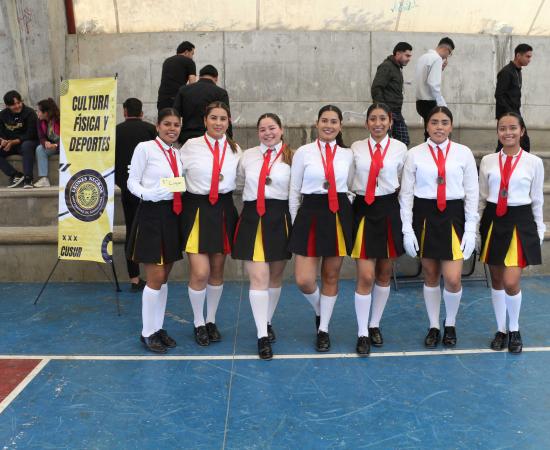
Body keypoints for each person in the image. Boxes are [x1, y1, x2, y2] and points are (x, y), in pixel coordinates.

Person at [400, 106, 478, 348]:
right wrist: (407, 228)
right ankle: (434, 325)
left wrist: (470, 228)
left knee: (453, 278)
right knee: (431, 275)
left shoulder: (463, 153)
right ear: (426, 126)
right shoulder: (415, 153)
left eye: (444, 122)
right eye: (434, 122)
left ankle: (450, 323)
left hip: (454, 216)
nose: (439, 127)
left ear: (451, 126)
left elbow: (473, 193)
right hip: (424, 216)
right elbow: (406, 194)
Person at [289, 105, 353, 352]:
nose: (329, 125)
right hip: (310, 213)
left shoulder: (348, 155)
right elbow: (294, 191)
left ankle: (323, 328)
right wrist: (296, 221)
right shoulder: (303, 152)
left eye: (334, 121)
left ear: (340, 126)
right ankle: (320, 309)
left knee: (330, 275)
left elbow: (353, 185)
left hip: (337, 213)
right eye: (324, 120)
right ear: (317, 124)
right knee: (304, 280)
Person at [479, 112, 544, 354]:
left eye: (513, 128)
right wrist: (476, 229)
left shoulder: (533, 162)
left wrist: (539, 229)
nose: (508, 132)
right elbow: (482, 198)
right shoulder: (487, 161)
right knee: (496, 280)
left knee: (511, 281)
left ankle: (515, 328)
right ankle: (501, 329)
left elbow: (537, 200)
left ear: (522, 131)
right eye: (502, 128)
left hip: (521, 221)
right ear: (498, 132)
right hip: (494, 221)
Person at [180, 101, 241, 346]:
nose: (218, 123)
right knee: (200, 272)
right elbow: (174, 174)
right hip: (196, 209)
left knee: (217, 270)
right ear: (205, 120)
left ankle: (211, 320)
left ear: (229, 121)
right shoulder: (190, 146)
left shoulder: (236, 149)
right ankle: (197, 322)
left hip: (223, 209)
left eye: (223, 119)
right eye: (213, 118)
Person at [232, 113, 292, 360]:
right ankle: (261, 336)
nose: (268, 133)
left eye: (272, 128)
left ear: (281, 129)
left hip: (280, 217)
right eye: (263, 129)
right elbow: (237, 182)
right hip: (252, 217)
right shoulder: (247, 156)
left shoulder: (293, 156)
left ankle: (267, 321)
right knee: (259, 278)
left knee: (275, 277)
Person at [349, 103, 407, 355]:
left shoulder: (401, 149)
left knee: (384, 273)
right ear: (366, 123)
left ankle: (374, 324)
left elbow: (406, 182)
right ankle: (362, 332)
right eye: (372, 119)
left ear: (390, 121)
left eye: (382, 118)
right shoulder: (356, 148)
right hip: (363, 210)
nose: (378, 123)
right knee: (365, 276)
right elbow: (350, 179)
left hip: (388, 210)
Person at [126, 108, 184, 353]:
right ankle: (146, 332)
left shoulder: (177, 153)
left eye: (176, 125)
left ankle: (158, 327)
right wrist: (147, 194)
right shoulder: (145, 148)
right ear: (158, 126)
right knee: (156, 277)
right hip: (151, 214)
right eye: (167, 124)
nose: (172, 129)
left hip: (172, 215)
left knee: (165, 277)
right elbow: (131, 181)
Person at [115, 98, 158, 291]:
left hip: (127, 189)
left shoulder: (115, 131)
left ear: (124, 112)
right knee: (152, 231)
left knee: (131, 231)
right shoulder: (150, 129)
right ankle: (154, 276)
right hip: (149, 190)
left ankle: (134, 278)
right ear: (142, 112)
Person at [173, 64, 232, 144]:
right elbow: (226, 117)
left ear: (199, 76)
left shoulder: (184, 90)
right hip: (210, 138)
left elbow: (175, 114)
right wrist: (230, 140)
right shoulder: (220, 93)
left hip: (187, 137)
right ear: (216, 78)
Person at [371, 42, 413, 146]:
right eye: (407, 55)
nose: (409, 59)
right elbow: (376, 88)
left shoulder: (396, 68)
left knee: (403, 141)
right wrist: (382, 112)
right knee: (385, 142)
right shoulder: (386, 66)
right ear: (398, 54)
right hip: (388, 112)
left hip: (396, 112)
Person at [495, 44, 533, 153]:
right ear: (518, 55)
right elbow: (499, 95)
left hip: (514, 112)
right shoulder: (506, 72)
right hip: (507, 114)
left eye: (530, 57)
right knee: (522, 141)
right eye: (527, 56)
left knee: (511, 142)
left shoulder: (517, 71)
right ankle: (494, 165)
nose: (529, 60)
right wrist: (509, 114)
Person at [415, 37, 455, 140]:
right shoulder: (437, 59)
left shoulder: (423, 57)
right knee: (436, 135)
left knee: (428, 132)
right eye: (449, 53)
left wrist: (440, 69)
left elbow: (426, 79)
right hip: (430, 102)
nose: (447, 57)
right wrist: (442, 104)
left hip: (420, 101)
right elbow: (433, 84)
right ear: (446, 49)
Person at [0, 90, 38, 188]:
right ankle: (15, 174)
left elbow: (31, 134)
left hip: (27, 142)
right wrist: (3, 141)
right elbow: (1, 132)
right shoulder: (3, 115)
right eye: (13, 104)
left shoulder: (30, 112)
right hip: (10, 144)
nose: (17, 106)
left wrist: (13, 142)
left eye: (19, 102)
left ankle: (28, 179)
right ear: (7, 106)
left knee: (27, 145)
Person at [157, 41, 196, 110]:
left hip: (162, 98)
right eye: (192, 54)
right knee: (175, 119)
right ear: (186, 52)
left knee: (163, 118)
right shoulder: (189, 61)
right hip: (176, 97)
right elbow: (192, 84)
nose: (192, 57)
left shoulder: (167, 61)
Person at [34, 98, 60, 187]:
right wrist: (45, 142)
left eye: (38, 111)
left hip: (64, 146)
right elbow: (41, 136)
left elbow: (68, 137)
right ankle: (44, 179)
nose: (37, 113)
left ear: (46, 113)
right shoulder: (40, 120)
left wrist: (56, 145)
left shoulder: (60, 119)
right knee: (40, 149)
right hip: (52, 147)